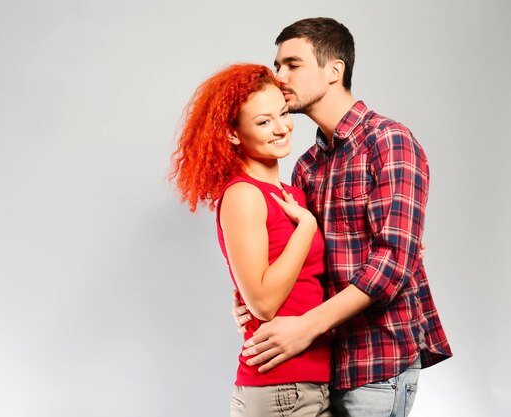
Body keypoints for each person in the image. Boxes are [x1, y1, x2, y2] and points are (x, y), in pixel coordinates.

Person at [231, 17, 452, 417]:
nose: (279, 77)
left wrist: (307, 326)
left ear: (335, 70)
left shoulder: (388, 141)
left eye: (292, 64)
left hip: (377, 361)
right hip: (319, 365)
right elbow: (304, 262)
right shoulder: (306, 166)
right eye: (277, 65)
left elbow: (393, 262)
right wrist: (250, 300)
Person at [170, 64, 333, 416]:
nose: (282, 128)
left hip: (310, 384)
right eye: (263, 122)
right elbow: (262, 303)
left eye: (284, 114)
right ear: (232, 134)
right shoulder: (243, 195)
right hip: (279, 390)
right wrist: (305, 229)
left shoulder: (292, 195)